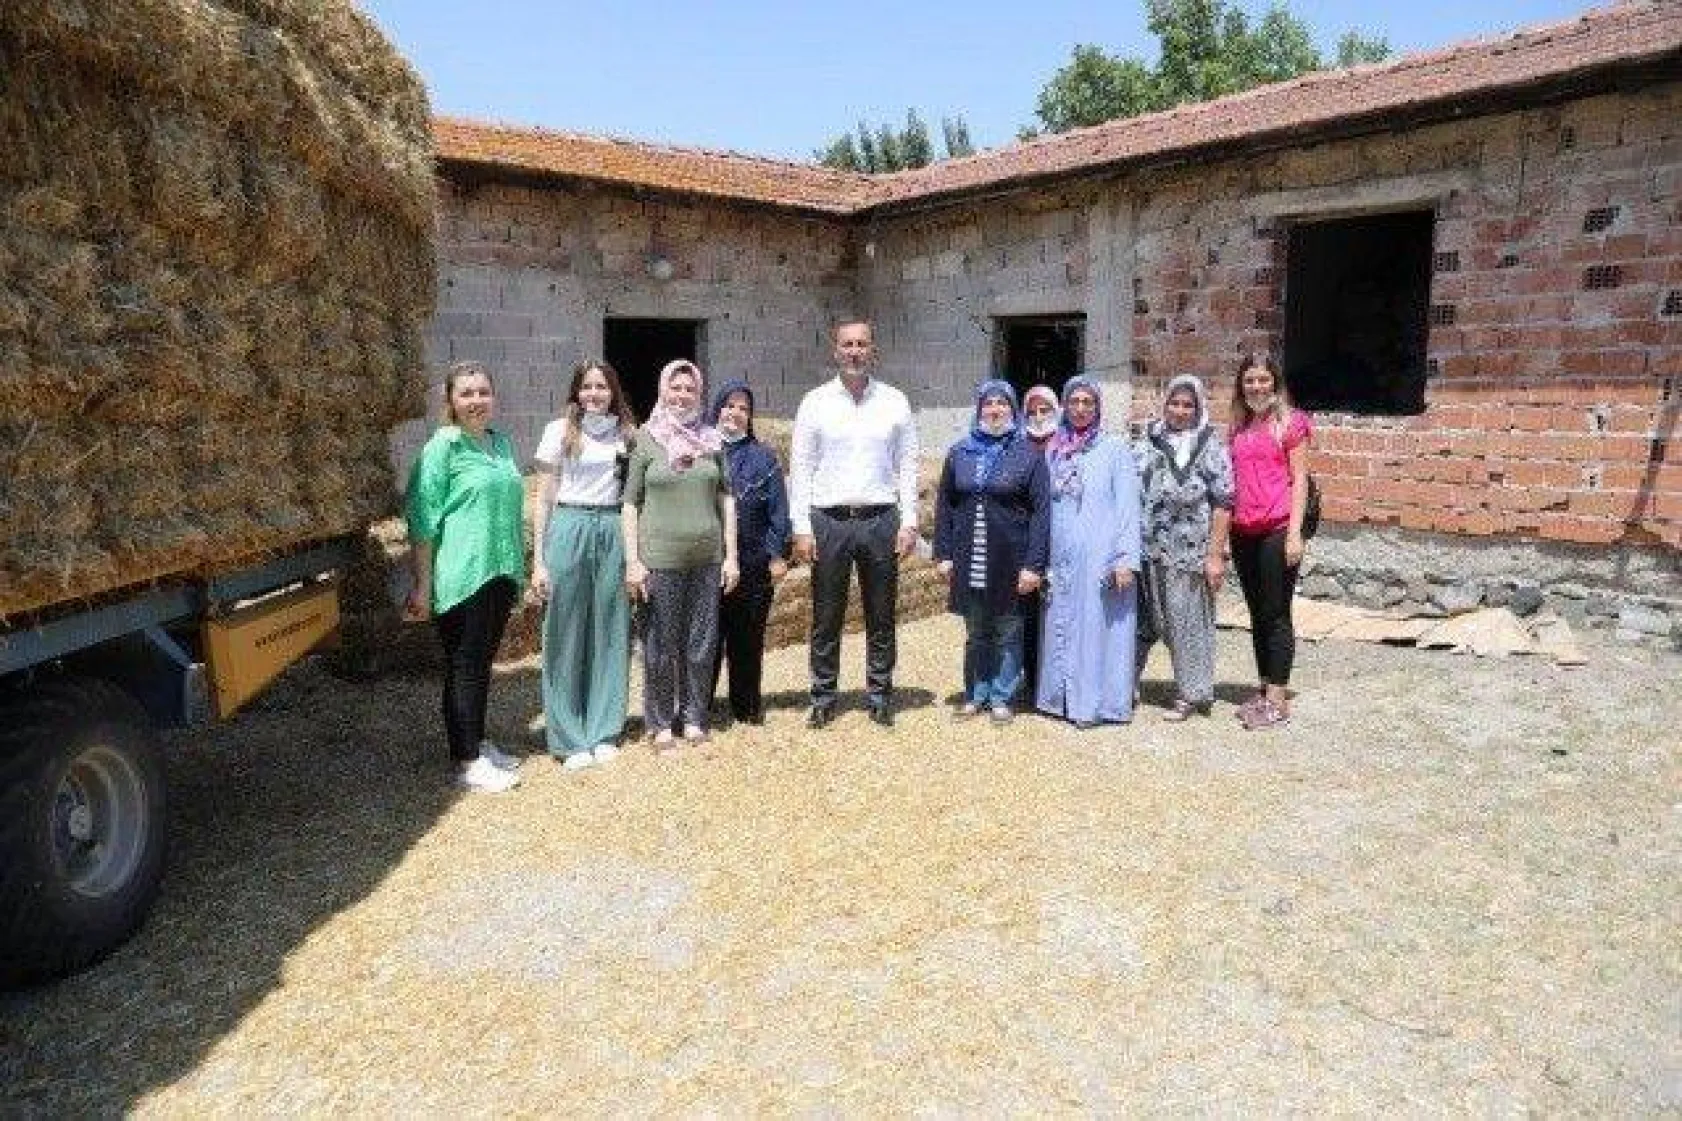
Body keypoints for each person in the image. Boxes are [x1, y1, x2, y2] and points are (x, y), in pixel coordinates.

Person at [789, 319, 920, 729]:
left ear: (873, 350)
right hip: (829, 520)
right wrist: (801, 527)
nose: (855, 351)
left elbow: (908, 465)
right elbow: (801, 465)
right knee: (826, 616)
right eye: (847, 344)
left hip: (881, 519)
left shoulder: (895, 401)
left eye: (862, 344)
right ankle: (823, 696)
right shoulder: (814, 402)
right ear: (835, 351)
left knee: (881, 614)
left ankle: (880, 695)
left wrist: (910, 520)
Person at [404, 361, 526, 792]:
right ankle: (466, 760)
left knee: (481, 662)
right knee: (465, 664)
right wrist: (422, 583)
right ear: (451, 402)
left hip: (500, 568)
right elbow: (422, 519)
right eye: (467, 394)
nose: (476, 401)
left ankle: (476, 740)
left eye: (483, 392)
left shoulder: (501, 444)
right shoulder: (444, 447)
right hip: (461, 572)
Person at [623, 360, 739, 747]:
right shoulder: (645, 439)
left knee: (701, 642)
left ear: (699, 394)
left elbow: (726, 498)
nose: (682, 395)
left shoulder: (712, 440)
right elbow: (629, 503)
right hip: (660, 559)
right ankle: (658, 722)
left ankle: (693, 718)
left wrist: (732, 556)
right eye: (676, 388)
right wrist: (633, 561)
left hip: (707, 557)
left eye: (690, 389)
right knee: (658, 643)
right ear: (662, 391)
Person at [531, 360, 637, 769]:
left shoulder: (628, 435)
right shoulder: (558, 432)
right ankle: (569, 736)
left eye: (602, 387)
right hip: (570, 524)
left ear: (614, 392)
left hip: (612, 526)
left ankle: (605, 727)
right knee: (565, 629)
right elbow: (543, 498)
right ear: (576, 392)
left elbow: (634, 496)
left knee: (611, 627)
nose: (595, 394)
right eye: (587, 387)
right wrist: (539, 561)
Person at [932, 381, 1050, 723]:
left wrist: (1033, 565)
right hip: (970, 559)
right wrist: (944, 555)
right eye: (988, 404)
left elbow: (1042, 514)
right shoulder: (960, 453)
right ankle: (975, 694)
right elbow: (946, 506)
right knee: (976, 632)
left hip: (1011, 561)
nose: (995, 410)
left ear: (1012, 411)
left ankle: (1002, 696)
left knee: (1008, 632)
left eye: (1002, 404)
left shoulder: (1028, 455)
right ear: (979, 410)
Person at [1035, 376, 1142, 728]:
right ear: (1065, 406)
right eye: (1075, 402)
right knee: (1062, 622)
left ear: (1097, 408)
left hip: (1100, 554)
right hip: (1061, 554)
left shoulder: (1114, 449)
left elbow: (1128, 506)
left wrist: (1125, 558)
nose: (1081, 409)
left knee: (1096, 629)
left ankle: (1093, 705)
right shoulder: (1054, 449)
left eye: (1088, 403)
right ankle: (1060, 699)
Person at [1132, 375, 1235, 720]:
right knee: (1143, 620)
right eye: (1174, 403)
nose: (1179, 411)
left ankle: (1191, 692)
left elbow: (1223, 501)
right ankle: (1125, 682)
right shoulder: (1149, 438)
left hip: (1190, 552)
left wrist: (1215, 554)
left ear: (1198, 408)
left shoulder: (1209, 444)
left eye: (1187, 404)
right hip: (1148, 547)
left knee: (1187, 620)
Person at [1227, 354, 1312, 730]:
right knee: (1257, 611)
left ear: (1274, 383)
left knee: (1276, 612)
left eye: (1263, 380)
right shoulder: (1238, 426)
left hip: (1277, 527)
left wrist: (1295, 532)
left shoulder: (1291, 423)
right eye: (1249, 381)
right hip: (1243, 529)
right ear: (1241, 387)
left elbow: (1300, 480)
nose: (1256, 387)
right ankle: (1263, 688)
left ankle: (1278, 698)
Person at [708, 378, 791, 726]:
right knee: (706, 638)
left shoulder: (764, 458)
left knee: (747, 637)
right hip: (705, 562)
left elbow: (778, 512)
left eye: (744, 408)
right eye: (729, 405)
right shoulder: (699, 451)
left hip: (753, 562)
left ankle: (746, 707)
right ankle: (699, 706)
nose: (735, 413)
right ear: (717, 409)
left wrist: (776, 555)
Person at [1019, 384, 1060, 699]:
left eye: (1044, 410)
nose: (1038, 416)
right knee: (1029, 614)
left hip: (1062, 538)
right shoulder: (1019, 446)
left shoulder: (1068, 444)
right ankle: (1031, 682)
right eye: (1032, 411)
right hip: (1030, 540)